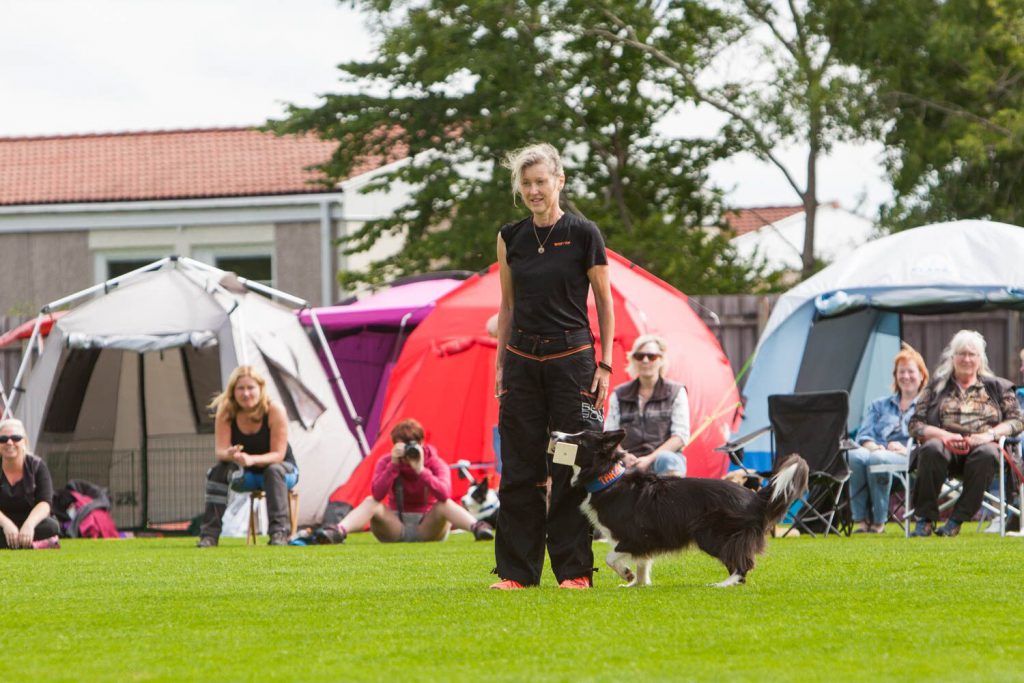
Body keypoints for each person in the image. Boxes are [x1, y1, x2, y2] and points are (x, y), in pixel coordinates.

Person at [491, 143, 614, 590]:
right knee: (521, 468)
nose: (533, 190)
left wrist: (605, 365)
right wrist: (500, 364)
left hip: (572, 366)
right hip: (522, 365)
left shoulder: (584, 234)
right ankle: (516, 574)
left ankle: (574, 571)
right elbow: (506, 306)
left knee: (567, 464)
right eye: (526, 184)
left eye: (541, 181)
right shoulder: (511, 237)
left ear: (559, 180)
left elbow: (604, 300)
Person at [908, 329, 1023, 537]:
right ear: (952, 357)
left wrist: (989, 435)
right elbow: (915, 424)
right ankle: (924, 520)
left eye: (972, 354)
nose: (966, 359)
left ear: (980, 359)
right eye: (961, 353)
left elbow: (1017, 420)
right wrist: (944, 435)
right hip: (945, 450)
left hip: (983, 449)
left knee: (987, 453)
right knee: (931, 448)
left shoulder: (998, 387)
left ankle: (956, 520)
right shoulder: (935, 387)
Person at [312, 418, 493, 544]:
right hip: (395, 526)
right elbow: (377, 494)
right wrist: (393, 466)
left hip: (428, 527)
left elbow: (445, 493)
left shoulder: (436, 463)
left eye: (411, 445)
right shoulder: (387, 462)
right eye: (401, 445)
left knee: (443, 504)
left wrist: (421, 470)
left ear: (422, 442)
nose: (407, 451)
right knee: (370, 502)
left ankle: (478, 527)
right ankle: (337, 531)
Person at [198, 365, 299, 547]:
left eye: (250, 388)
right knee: (218, 471)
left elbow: (278, 455)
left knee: (273, 471)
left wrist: (252, 459)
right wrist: (231, 455)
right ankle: (209, 536)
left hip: (282, 472)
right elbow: (220, 452)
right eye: (241, 389)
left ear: (260, 389)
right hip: (247, 474)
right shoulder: (226, 412)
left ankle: (279, 533)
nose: (246, 394)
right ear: (233, 392)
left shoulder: (274, 410)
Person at [847, 343, 928, 534]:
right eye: (901, 372)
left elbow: (929, 439)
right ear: (895, 376)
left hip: (909, 458)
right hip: (876, 452)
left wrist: (904, 449)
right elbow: (863, 435)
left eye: (910, 371)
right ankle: (860, 520)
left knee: (877, 459)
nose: (905, 376)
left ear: (922, 375)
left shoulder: (927, 406)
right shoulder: (879, 405)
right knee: (854, 456)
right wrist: (874, 447)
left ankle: (878, 521)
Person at [605, 335, 689, 477]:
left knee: (667, 459)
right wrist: (623, 455)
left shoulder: (676, 392)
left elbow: (680, 437)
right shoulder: (619, 394)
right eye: (639, 356)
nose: (645, 360)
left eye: (652, 356)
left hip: (663, 462)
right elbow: (609, 434)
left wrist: (650, 459)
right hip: (628, 462)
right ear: (633, 360)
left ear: (661, 360)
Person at [0, 418, 60, 549]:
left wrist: (29, 525)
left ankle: (14, 543)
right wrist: (6, 524)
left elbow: (45, 503)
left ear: (24, 442)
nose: (9, 442)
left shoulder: (37, 466)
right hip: (2, 522)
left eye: (16, 438)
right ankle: (29, 544)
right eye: (3, 439)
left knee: (51, 526)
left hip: (31, 520)